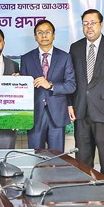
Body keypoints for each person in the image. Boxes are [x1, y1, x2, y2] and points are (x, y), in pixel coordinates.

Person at [68, 8, 104, 180]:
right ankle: (86, 192)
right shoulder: (75, 48)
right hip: (81, 111)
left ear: (101, 24)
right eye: (85, 23)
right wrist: (70, 104)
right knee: (82, 160)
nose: (89, 27)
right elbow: (71, 79)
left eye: (93, 23)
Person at [20, 19, 76, 151]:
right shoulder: (26, 58)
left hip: (57, 114)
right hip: (35, 114)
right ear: (35, 36)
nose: (44, 35)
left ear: (54, 35)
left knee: (57, 156)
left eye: (47, 32)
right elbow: (23, 90)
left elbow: (71, 85)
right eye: (40, 32)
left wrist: (50, 85)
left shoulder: (65, 57)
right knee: (35, 155)